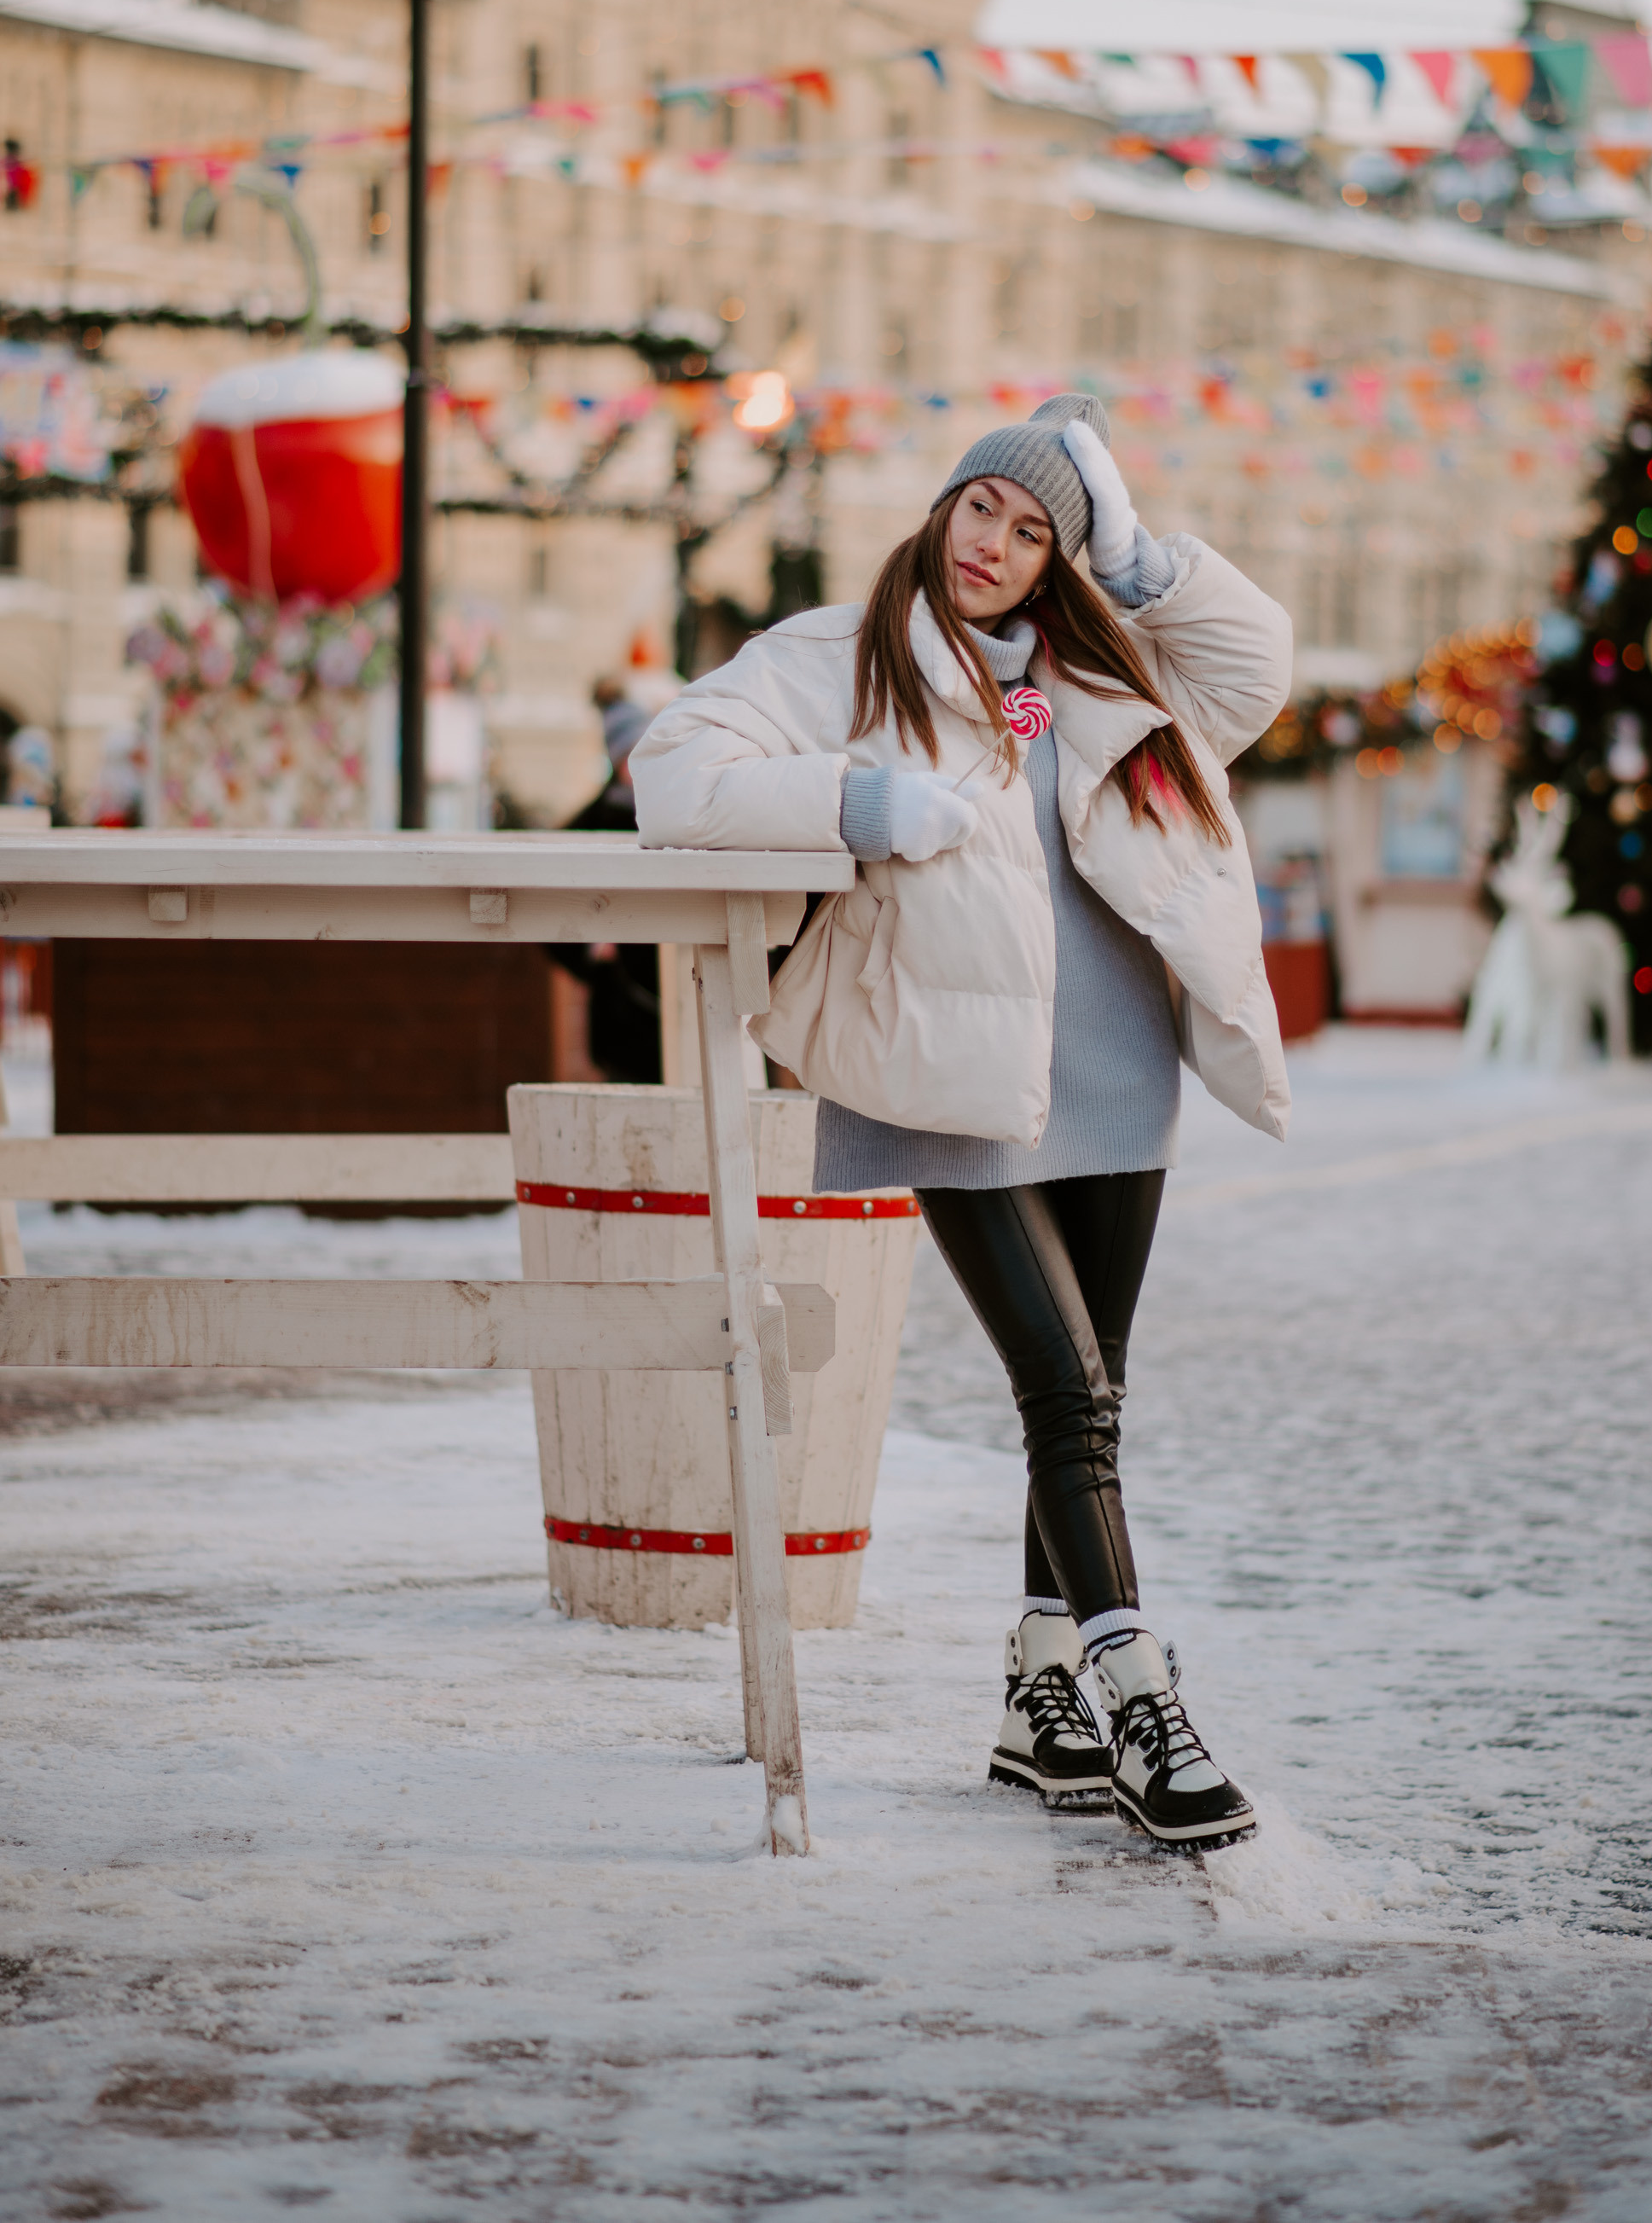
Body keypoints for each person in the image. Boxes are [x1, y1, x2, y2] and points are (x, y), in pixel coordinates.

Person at [632, 395, 1290, 1849]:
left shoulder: (1104, 668)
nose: (994, 542)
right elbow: (671, 775)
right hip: (945, 1072)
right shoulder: (834, 659)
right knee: (1065, 1395)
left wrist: (1135, 554)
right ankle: (1139, 1697)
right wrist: (856, 801)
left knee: (1091, 1397)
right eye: (981, 507)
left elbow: (1258, 668)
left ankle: (1035, 1692)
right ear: (940, 509)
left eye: (1036, 527)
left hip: (1117, 1068)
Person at [545, 698, 664, 1082]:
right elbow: (548, 912)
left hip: (677, 990)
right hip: (623, 1007)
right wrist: (591, 952)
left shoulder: (674, 813)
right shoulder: (587, 825)